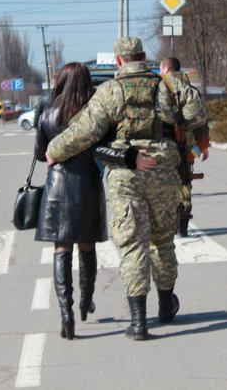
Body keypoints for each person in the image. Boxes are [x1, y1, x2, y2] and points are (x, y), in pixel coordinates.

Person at [46, 37, 208, 341]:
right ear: (144, 57)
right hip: (164, 171)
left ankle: (138, 322)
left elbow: (85, 131)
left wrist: (54, 149)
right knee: (162, 242)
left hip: (126, 173)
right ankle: (165, 304)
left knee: (132, 244)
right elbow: (198, 115)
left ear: (119, 61)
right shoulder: (168, 85)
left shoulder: (110, 91)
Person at [34, 62, 108, 340]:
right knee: (87, 247)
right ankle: (86, 301)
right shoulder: (94, 112)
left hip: (56, 188)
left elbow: (41, 154)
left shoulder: (48, 112)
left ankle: (66, 314)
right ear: (87, 82)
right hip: (88, 185)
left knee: (61, 248)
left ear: (61, 82)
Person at [159, 57, 210, 237]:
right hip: (188, 149)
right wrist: (201, 148)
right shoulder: (192, 90)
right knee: (185, 183)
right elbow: (203, 123)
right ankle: (183, 226)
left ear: (165, 69)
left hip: (163, 148)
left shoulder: (159, 87)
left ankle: (167, 224)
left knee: (163, 186)